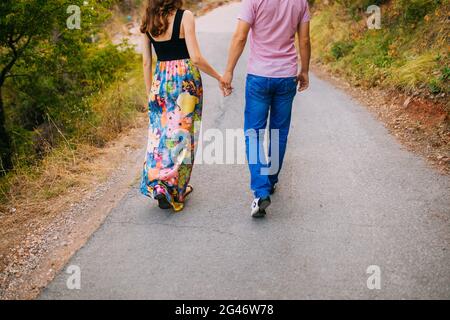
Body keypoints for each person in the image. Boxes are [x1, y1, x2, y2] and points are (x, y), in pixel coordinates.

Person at [221, 0, 311, 218]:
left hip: (259, 76)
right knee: (279, 134)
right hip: (286, 75)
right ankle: (270, 182)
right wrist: (305, 70)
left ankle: (261, 192)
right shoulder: (300, 2)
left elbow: (240, 36)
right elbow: (305, 39)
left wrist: (229, 71)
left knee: (253, 134)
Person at [140, 0, 224, 212]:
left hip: (160, 81)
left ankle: (159, 184)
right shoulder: (184, 16)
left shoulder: (148, 20)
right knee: (183, 135)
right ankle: (175, 189)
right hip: (185, 81)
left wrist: (151, 92)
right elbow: (195, 57)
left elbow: (146, 62)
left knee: (159, 135)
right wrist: (219, 76)